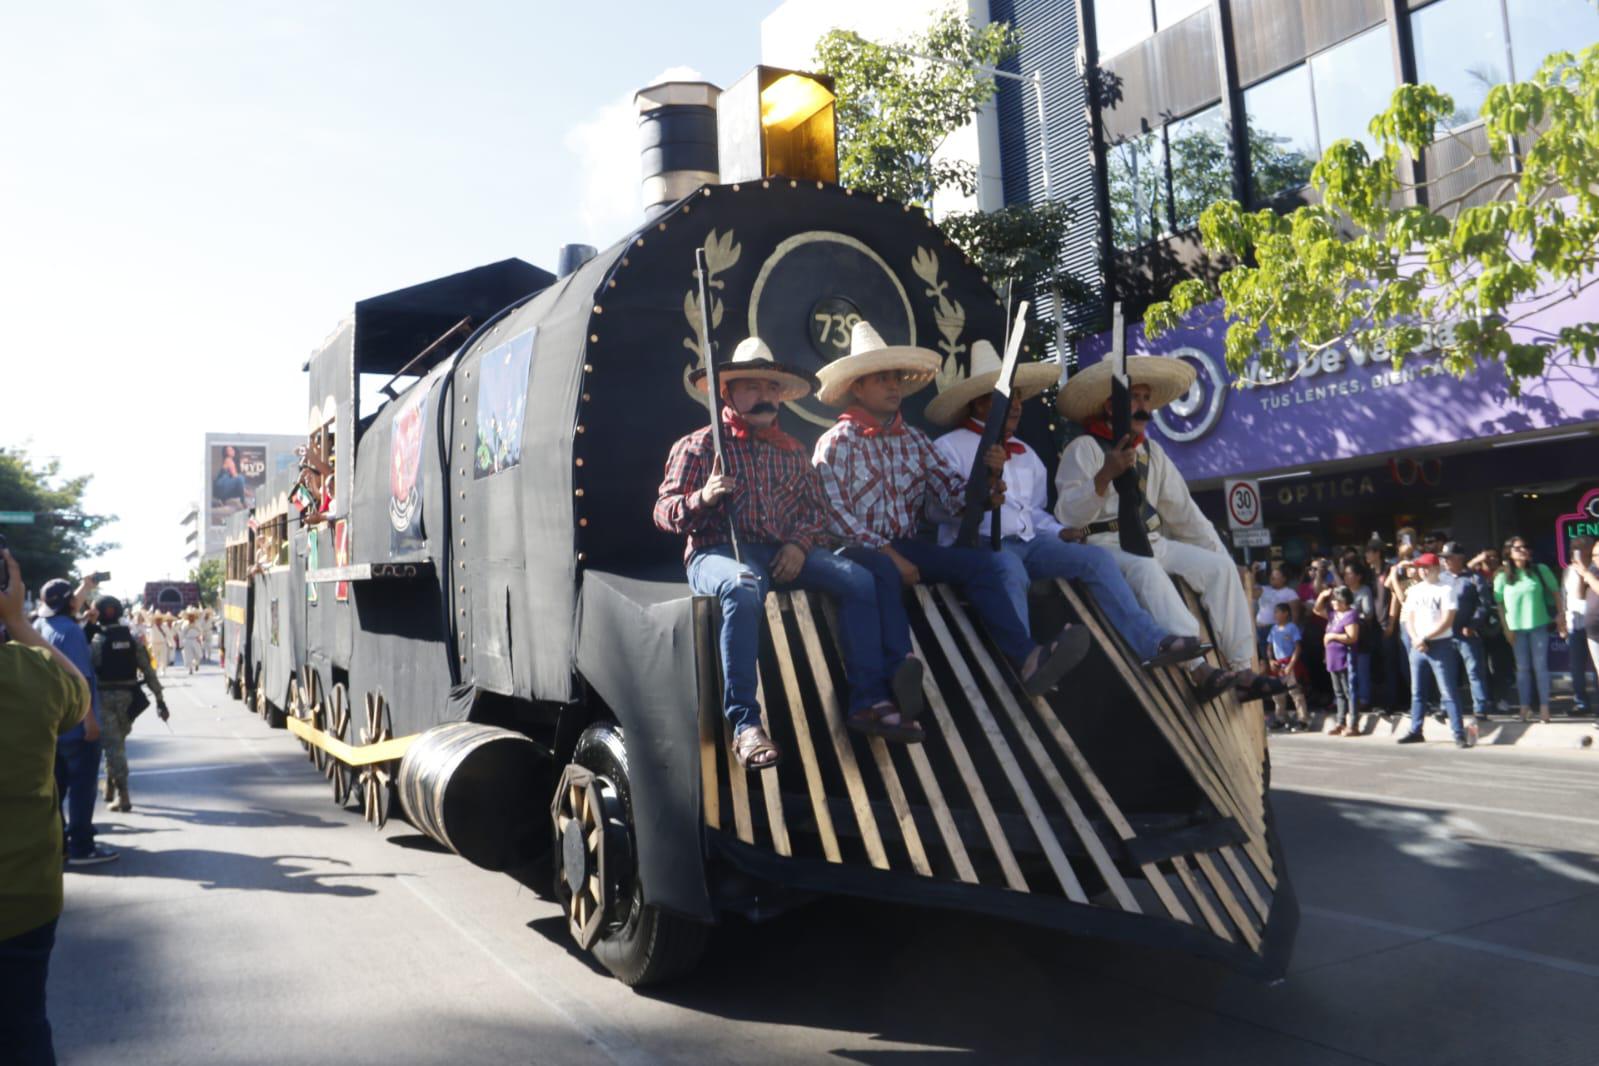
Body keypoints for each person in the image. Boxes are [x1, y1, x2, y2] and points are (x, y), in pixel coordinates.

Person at [654, 336, 928, 767]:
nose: (764, 396)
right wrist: (703, 498)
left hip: (781, 550)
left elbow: (817, 512)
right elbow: (663, 512)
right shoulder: (699, 446)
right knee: (742, 587)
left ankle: (869, 701)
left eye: (771, 388)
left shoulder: (793, 451)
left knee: (859, 579)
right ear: (727, 393)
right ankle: (745, 724)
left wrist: (799, 546)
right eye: (752, 387)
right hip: (716, 551)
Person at [812, 322, 1091, 702]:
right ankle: (899, 669)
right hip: (856, 551)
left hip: (907, 546)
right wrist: (888, 553)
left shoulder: (915, 439)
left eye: (896, 378)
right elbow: (834, 516)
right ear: (857, 388)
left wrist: (986, 488)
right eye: (881, 379)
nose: (893, 386)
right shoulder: (834, 443)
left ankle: (1027, 658)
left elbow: (952, 493)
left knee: (988, 565)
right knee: (883, 571)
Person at [924, 339, 1201, 670]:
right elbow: (934, 511)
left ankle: (1152, 641)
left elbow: (1033, 513)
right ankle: (1026, 664)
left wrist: (1059, 531)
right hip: (979, 546)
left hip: (1031, 543)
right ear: (979, 404)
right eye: (1006, 397)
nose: (1016, 405)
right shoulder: (948, 447)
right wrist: (981, 490)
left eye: (1018, 397)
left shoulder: (1027, 454)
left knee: (1096, 559)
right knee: (1008, 568)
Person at [1052, 354, 1284, 703]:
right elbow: (1068, 515)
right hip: (1105, 543)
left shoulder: (1153, 452)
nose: (1143, 406)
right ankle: (1199, 669)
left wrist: (1222, 555)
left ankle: (1242, 671)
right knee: (1145, 569)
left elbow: (1186, 514)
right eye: (1134, 398)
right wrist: (1104, 476)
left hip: (1153, 540)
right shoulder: (1083, 448)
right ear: (1110, 405)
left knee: (1220, 569)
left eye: (1146, 398)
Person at [1, 550, 93, 1066]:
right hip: (23, 900)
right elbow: (78, 694)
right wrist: (18, 623)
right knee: (23, 1030)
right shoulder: (30, 672)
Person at [34, 577, 119, 863]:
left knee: (56, 790)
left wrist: (84, 591)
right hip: (76, 725)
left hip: (50, 725)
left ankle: (60, 846)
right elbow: (78, 678)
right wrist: (89, 720)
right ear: (71, 602)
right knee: (83, 790)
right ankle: (82, 846)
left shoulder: (39, 626)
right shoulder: (71, 632)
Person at [90, 595, 168, 812]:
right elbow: (148, 670)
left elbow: (88, 670)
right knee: (116, 744)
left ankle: (123, 795)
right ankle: (110, 786)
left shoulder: (95, 641)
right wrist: (160, 699)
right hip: (128, 699)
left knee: (113, 746)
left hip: (104, 698)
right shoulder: (132, 640)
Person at [1398, 553, 1470, 747]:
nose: (1422, 571)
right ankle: (1416, 730)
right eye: (1420, 568)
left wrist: (1425, 638)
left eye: (1426, 567)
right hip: (1418, 646)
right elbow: (1409, 618)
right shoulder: (1415, 590)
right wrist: (1415, 638)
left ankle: (1458, 733)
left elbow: (1447, 620)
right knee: (1417, 691)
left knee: (1448, 691)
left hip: (1440, 644)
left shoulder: (1446, 589)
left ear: (1436, 569)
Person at [1494, 536, 1565, 723]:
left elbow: (1556, 593)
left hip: (1538, 625)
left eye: (1525, 547)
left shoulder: (1540, 570)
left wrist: (1561, 616)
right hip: (1516, 629)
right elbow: (1499, 604)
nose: (1524, 550)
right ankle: (1524, 708)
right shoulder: (1502, 575)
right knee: (1522, 669)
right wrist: (1506, 628)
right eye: (1518, 548)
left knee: (1540, 667)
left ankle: (1544, 708)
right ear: (1509, 552)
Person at [1440, 542, 1492, 726]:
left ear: (1459, 558)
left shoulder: (1474, 578)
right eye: (1444, 558)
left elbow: (1483, 605)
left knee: (1474, 671)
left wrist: (1473, 624)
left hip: (1466, 633)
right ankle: (1445, 706)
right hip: (1445, 633)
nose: (1445, 561)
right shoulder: (1441, 578)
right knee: (1447, 672)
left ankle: (1480, 708)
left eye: (1449, 557)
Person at [1314, 586, 1361, 736]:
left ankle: (1353, 724)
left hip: (1345, 657)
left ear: (1345, 600)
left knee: (1349, 691)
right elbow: (1317, 610)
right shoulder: (1333, 615)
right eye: (1333, 600)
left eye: (1337, 600)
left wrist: (1332, 636)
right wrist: (1322, 596)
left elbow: (1352, 637)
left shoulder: (1350, 614)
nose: (1334, 602)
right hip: (1332, 658)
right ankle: (1340, 722)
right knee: (1338, 692)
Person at [1263, 602, 1310, 731]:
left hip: (1289, 663)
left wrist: (1291, 665)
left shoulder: (1292, 628)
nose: (1275, 615)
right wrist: (1271, 660)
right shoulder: (1273, 629)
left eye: (1277, 612)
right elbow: (1269, 647)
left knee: (1295, 692)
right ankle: (1280, 718)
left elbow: (1297, 648)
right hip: (1278, 664)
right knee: (1277, 694)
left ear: (1285, 613)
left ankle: (1303, 719)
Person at [1564, 538, 1596, 717]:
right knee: (1576, 668)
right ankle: (1581, 703)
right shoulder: (1568, 570)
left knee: (1597, 667)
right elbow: (1566, 596)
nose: (1574, 551)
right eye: (1572, 548)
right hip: (1574, 626)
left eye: (1578, 548)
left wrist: (1583, 571)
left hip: (1592, 626)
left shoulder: (1593, 570)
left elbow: (1580, 594)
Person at [1254, 566, 1301, 661]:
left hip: (1276, 629)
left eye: (1276, 574)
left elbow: (1295, 615)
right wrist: (1253, 573)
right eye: (1272, 574)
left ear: (1284, 578)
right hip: (1260, 628)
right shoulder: (1264, 589)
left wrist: (1291, 632)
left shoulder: (1290, 593)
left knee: (1277, 657)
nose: (1272, 577)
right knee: (1265, 657)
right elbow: (1250, 591)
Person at [178, 606, 203, 674]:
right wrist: (181, 644)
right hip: (187, 641)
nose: (191, 617)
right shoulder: (185, 623)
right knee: (188, 656)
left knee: (199, 655)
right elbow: (182, 633)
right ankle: (190, 669)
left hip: (195, 640)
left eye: (192, 616)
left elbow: (201, 632)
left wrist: (200, 638)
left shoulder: (197, 623)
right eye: (190, 616)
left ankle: (196, 663)